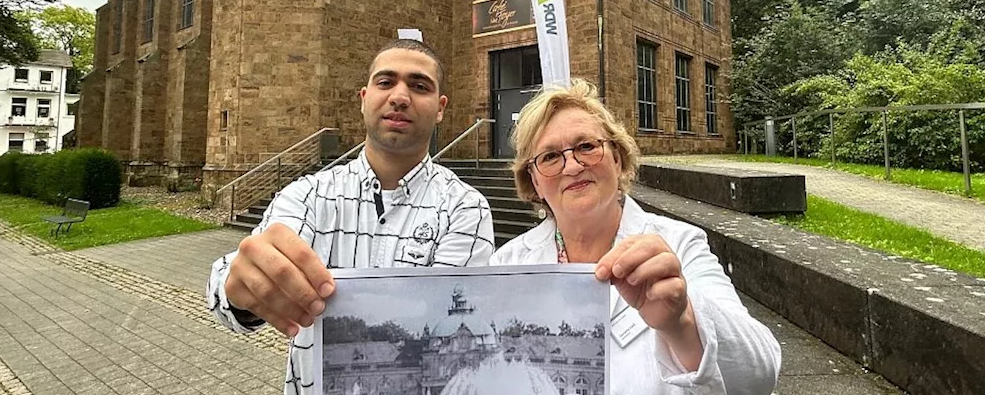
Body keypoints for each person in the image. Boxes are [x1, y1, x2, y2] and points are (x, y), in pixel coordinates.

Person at [206, 39, 496, 395]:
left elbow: (447, 324)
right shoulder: (307, 196)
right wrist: (243, 293)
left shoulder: (465, 208)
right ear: (363, 99)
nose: (400, 97)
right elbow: (226, 289)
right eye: (386, 82)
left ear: (440, 108)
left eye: (419, 86)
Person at [490, 79, 781, 395]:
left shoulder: (679, 245)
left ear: (616, 158)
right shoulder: (507, 264)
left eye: (586, 146)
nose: (572, 166)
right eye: (549, 156)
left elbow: (760, 376)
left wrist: (682, 323)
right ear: (533, 181)